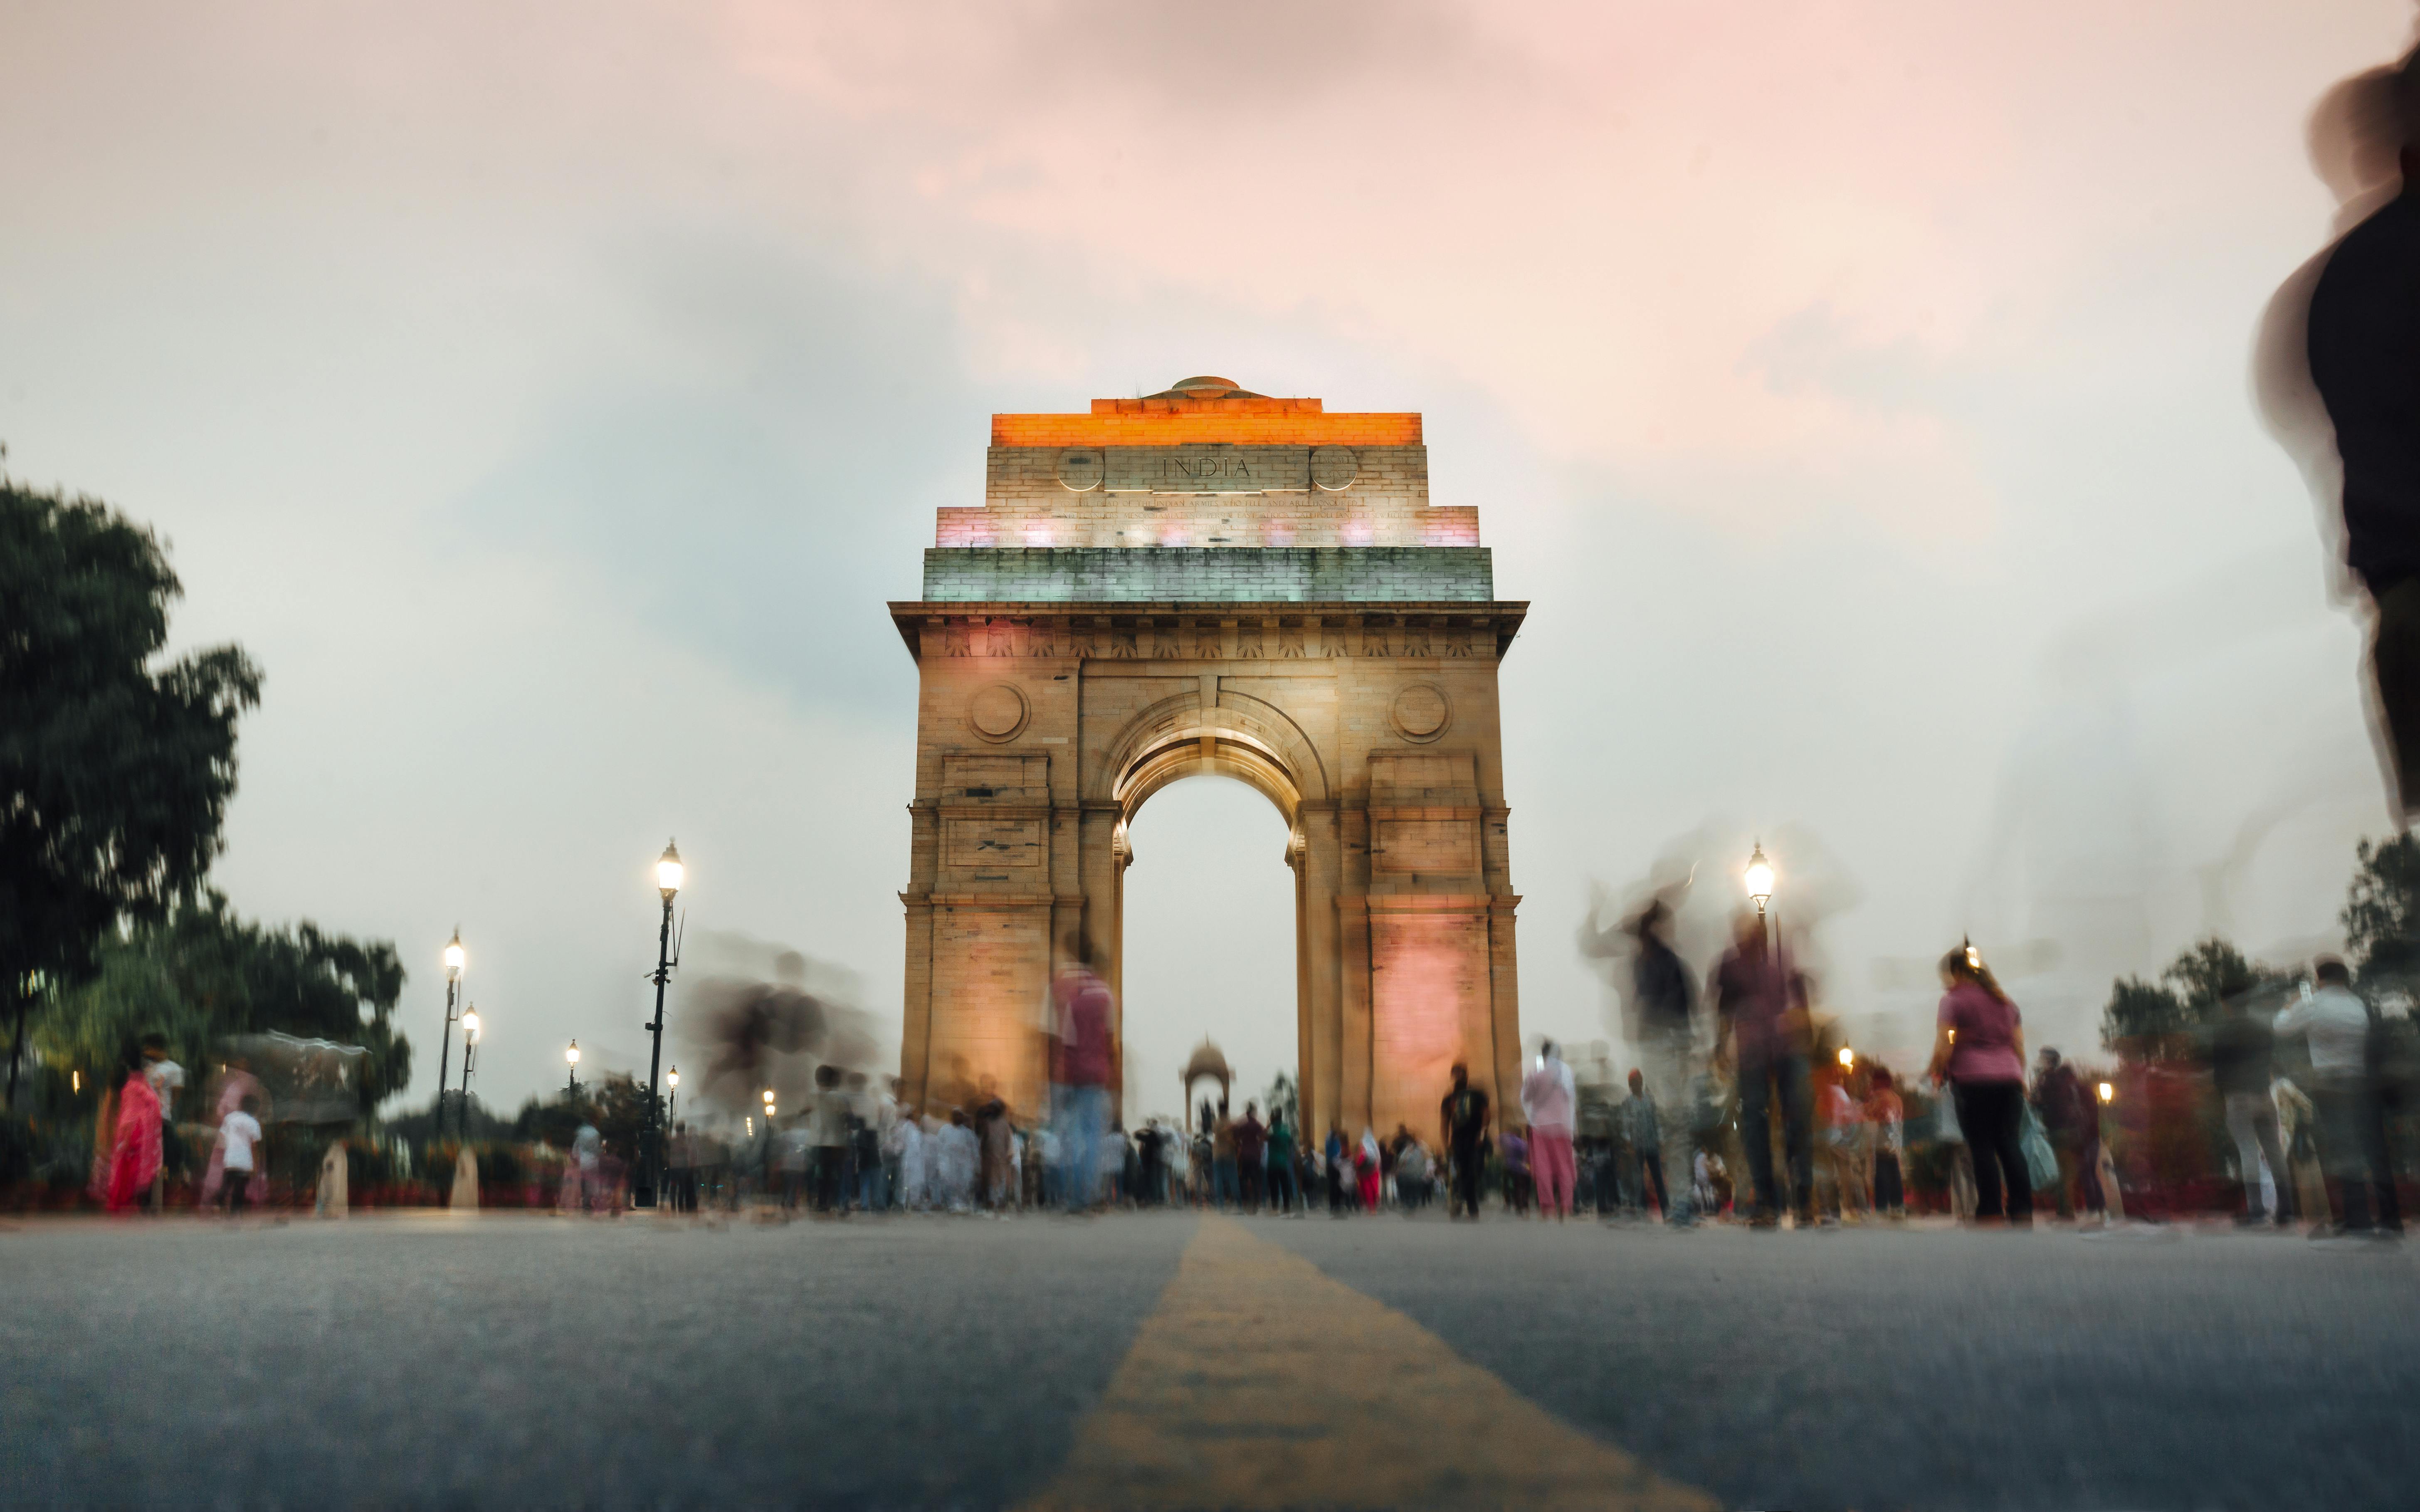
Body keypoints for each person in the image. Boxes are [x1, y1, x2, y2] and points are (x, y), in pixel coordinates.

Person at [2274, 959, 2402, 1236]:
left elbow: (2281, 1028)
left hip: (2331, 1084)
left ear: (2319, 979)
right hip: (2363, 1083)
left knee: (2345, 1151)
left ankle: (2358, 1219)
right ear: (2345, 978)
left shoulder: (2314, 1004)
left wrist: (2291, 1003)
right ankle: (2391, 1218)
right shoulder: (2357, 1004)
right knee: (2374, 1151)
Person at [1713, 913, 1813, 1228]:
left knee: (1793, 1120)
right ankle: (1768, 1200)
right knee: (1757, 1123)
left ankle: (1802, 1198)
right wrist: (1720, 1047)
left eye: (1753, 933)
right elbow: (1724, 1010)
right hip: (1754, 1052)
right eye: (1743, 934)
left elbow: (1800, 1000)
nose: (1748, 939)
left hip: (1783, 1048)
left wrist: (1805, 1033)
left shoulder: (1780, 963)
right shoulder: (1732, 967)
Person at [1927, 945, 2032, 1228]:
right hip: (2009, 1079)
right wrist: (2019, 1077)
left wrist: (1936, 1070)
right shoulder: (2006, 1003)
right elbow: (2019, 1045)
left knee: (1982, 1145)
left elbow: (1945, 1043)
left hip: (1973, 1080)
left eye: (1948, 974)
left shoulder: (1953, 1001)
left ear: (1957, 972)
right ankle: (2022, 1209)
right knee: (2009, 1143)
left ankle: (1990, 1209)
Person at [1629, 899, 1699, 1224]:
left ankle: (1682, 1201)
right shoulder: (1644, 964)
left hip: (1669, 1050)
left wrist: (1682, 1055)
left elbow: (1684, 1012)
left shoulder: (1667, 964)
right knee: (1668, 1127)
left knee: (1675, 1126)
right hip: (1657, 1053)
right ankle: (1677, 1201)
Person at [1050, 936, 1115, 1214]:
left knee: (1074, 1136)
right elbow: (1110, 1040)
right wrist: (1114, 1073)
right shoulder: (1106, 995)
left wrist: (1063, 1075)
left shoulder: (1073, 997)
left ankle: (1075, 1196)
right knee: (1093, 1137)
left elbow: (1067, 1041)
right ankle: (1089, 1194)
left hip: (1075, 1074)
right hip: (1097, 1075)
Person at [2030, 1049, 2104, 1223]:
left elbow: (2039, 1103)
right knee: (2075, 1171)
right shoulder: (2069, 1086)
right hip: (2074, 1133)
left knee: (2066, 1171)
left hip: (2059, 1131)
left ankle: (2067, 1210)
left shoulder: (2049, 1081)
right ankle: (2091, 1208)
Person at [1521, 1040, 1578, 1220]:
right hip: (1563, 1127)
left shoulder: (1536, 1073)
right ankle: (1567, 1208)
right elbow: (1571, 1100)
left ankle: (1548, 1208)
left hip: (1540, 1127)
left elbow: (1526, 1097)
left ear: (1543, 1055)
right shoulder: (1567, 1073)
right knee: (1565, 1168)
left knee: (1543, 1168)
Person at [103, 1047, 163, 1216]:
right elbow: (154, 1103)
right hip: (138, 1129)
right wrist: (158, 1089)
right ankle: (134, 1201)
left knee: (122, 1164)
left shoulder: (124, 1083)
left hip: (124, 1128)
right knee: (137, 1166)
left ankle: (119, 1201)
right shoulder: (139, 1085)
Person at [1439, 1063, 1492, 1221]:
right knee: (1463, 1172)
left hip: (1476, 1140)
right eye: (1455, 1073)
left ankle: (1464, 1200)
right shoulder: (1449, 1099)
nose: (1458, 1076)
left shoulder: (1477, 1094)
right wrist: (1446, 1144)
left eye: (1460, 1073)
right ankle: (1471, 1207)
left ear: (1466, 1074)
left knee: (1475, 1170)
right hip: (1459, 1141)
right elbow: (1445, 1122)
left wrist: (1482, 1135)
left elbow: (1486, 1115)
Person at [1617, 1068, 1669, 1221]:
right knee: (1638, 1180)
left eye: (1639, 1081)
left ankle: (1666, 1210)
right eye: (1634, 1083)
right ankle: (1642, 1211)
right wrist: (1628, 1143)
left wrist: (1661, 1140)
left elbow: (1657, 1121)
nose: (1637, 1085)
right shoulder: (1627, 1103)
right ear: (1630, 1085)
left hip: (1652, 1144)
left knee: (1658, 1177)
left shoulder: (1650, 1100)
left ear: (1642, 1082)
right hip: (1636, 1146)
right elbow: (1625, 1126)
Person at [141, 1033, 185, 1210]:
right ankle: (145, 1202)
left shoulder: (174, 1069)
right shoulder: (146, 1068)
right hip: (143, 1120)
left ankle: (158, 1201)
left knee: (162, 1159)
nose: (146, 1053)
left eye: (148, 1049)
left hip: (161, 1119)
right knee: (145, 1160)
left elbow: (176, 1094)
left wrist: (165, 1109)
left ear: (157, 1049)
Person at [1865, 1068, 1906, 1219]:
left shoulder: (1881, 1097)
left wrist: (1868, 1100)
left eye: (1874, 1080)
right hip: (1895, 1139)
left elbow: (1871, 1114)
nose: (1872, 1083)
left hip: (1883, 1140)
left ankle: (1882, 1207)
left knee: (1882, 1174)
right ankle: (1897, 1206)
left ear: (1880, 1081)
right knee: (1894, 1173)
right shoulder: (1897, 1098)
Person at [216, 1095, 263, 1218]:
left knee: (227, 1183)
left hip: (231, 1159)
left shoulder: (230, 1118)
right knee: (239, 1189)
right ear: (255, 1109)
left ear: (241, 1105)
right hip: (245, 1162)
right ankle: (235, 1212)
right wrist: (256, 1164)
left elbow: (222, 1136)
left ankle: (220, 1200)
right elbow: (255, 1146)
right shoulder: (253, 1123)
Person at [1235, 1103, 1268, 1214]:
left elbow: (1237, 1138)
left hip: (1245, 1155)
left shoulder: (1243, 1125)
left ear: (1247, 1113)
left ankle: (1245, 1202)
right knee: (1255, 1180)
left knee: (1243, 1179)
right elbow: (1263, 1137)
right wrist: (1259, 1146)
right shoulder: (1257, 1125)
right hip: (1255, 1156)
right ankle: (1256, 1203)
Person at [1265, 1112, 1298, 1215]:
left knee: (1274, 1186)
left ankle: (1275, 1208)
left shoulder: (1272, 1129)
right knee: (1285, 1186)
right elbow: (1291, 1143)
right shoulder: (1287, 1129)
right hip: (1284, 1162)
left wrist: (1268, 1126)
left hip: (1273, 1163)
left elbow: (1264, 1137)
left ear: (1273, 1118)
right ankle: (1287, 1208)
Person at [1499, 1125, 1531, 1215]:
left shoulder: (1507, 1140)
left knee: (1506, 1185)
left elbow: (1501, 1139)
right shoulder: (1524, 1143)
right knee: (1520, 1187)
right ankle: (1523, 1204)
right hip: (1521, 1168)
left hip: (1508, 1166)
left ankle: (1508, 1202)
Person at [1325, 1125, 1349, 1216]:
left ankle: (1334, 1206)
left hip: (1331, 1165)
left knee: (1333, 1186)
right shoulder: (1334, 1141)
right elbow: (1337, 1154)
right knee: (1337, 1186)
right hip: (1336, 1166)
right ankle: (1337, 1205)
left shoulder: (1329, 1140)